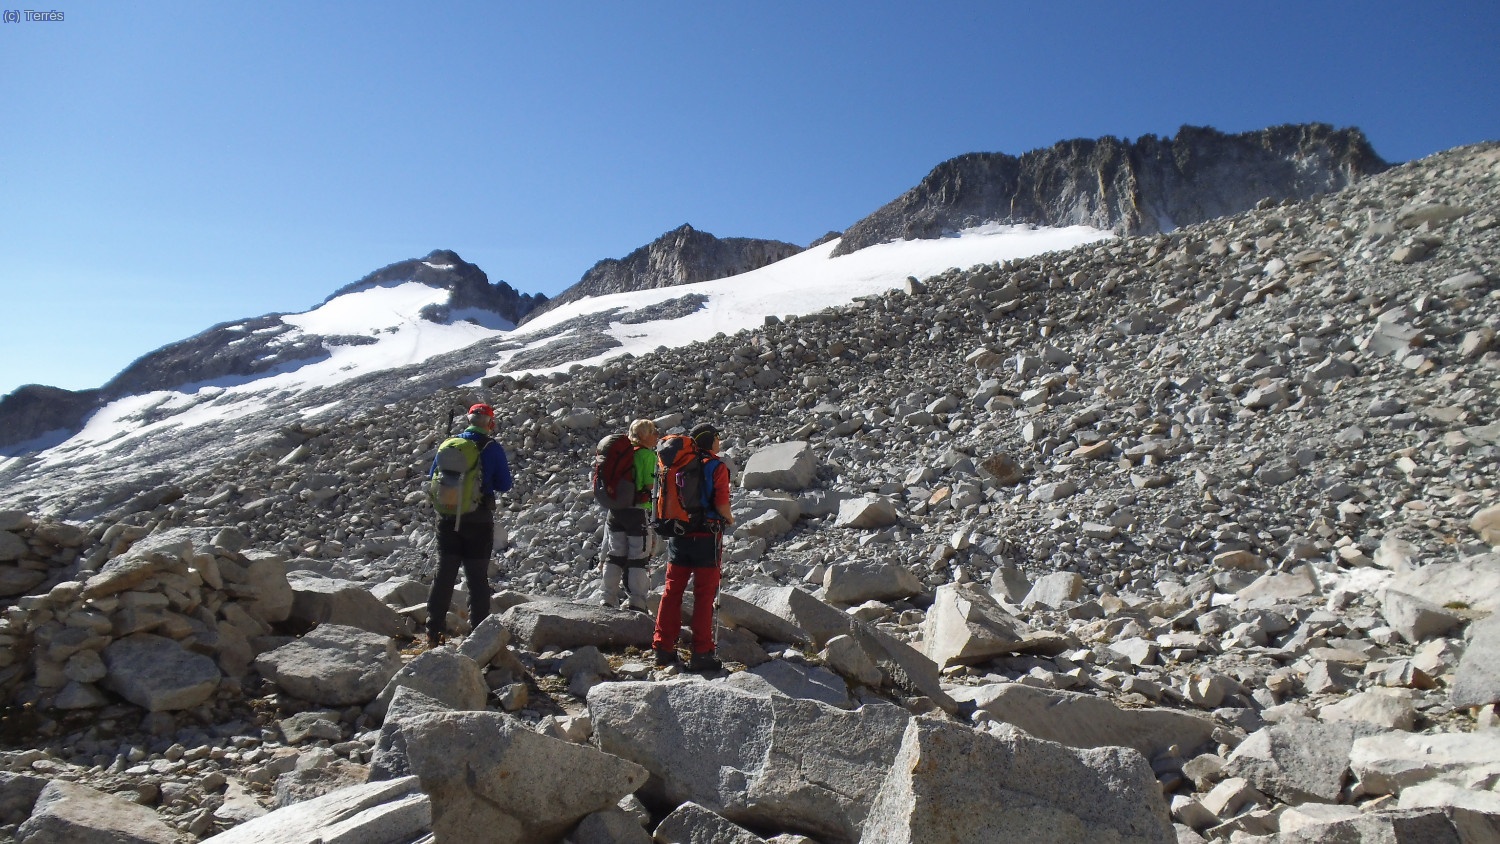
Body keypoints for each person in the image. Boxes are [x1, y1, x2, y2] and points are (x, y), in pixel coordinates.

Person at [426, 403, 512, 648]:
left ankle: (434, 633)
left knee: (444, 574)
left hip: (447, 518)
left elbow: (433, 475)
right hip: (478, 520)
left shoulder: (449, 445)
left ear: (468, 419)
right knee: (476, 578)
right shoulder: (492, 448)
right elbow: (504, 484)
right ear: (490, 423)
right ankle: (479, 637)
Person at [652, 422, 734, 671]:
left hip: (678, 534)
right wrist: (729, 519)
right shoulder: (716, 466)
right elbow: (721, 505)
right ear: (711, 440)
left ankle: (663, 648)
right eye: (718, 438)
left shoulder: (677, 463)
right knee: (704, 596)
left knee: (672, 591)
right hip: (707, 539)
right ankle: (701, 653)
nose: (720, 442)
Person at [602, 418, 660, 612]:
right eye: (653, 432)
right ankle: (637, 601)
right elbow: (650, 486)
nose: (657, 436)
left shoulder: (622, 454)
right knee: (638, 557)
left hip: (615, 512)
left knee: (615, 555)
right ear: (644, 435)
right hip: (638, 511)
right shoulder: (647, 456)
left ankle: (607, 597)